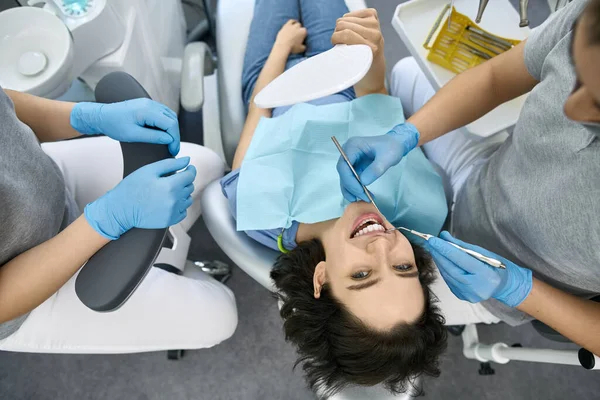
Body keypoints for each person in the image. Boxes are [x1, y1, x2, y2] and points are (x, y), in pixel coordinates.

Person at [222, 1, 500, 396]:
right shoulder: (417, 211)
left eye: (361, 275)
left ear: (321, 279)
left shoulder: (265, 215)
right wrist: (374, 54)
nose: (382, 247)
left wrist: (282, 49)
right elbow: (376, 96)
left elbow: (260, 108)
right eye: (404, 267)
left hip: (276, 80)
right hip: (345, 77)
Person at [338, 0, 600, 356]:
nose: (570, 109)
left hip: (506, 290)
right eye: (576, 75)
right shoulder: (591, 17)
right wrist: (404, 136)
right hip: (481, 176)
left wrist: (518, 290)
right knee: (404, 73)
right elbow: (494, 78)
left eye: (598, 107)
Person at [0, 84, 237, 353]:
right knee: (220, 315)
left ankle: (154, 260)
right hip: (26, 294)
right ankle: (167, 269)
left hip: (43, 178)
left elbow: (5, 106)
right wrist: (108, 217)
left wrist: (88, 117)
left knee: (207, 167)